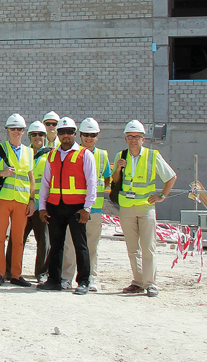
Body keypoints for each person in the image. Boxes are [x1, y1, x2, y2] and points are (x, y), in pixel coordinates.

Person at [113, 119, 177, 298]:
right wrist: (118, 168)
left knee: (148, 246)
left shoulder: (152, 155)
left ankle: (151, 283)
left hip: (145, 207)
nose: (133, 140)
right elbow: (116, 181)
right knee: (132, 248)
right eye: (130, 137)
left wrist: (162, 196)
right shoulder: (121, 155)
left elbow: (170, 177)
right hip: (126, 207)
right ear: (126, 138)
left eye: (137, 137)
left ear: (143, 139)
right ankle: (138, 282)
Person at [37, 117, 97, 295]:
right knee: (56, 245)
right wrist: (42, 206)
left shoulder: (84, 154)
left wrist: (87, 208)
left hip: (76, 207)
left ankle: (83, 281)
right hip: (55, 206)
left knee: (81, 245)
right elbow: (46, 183)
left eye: (69, 132)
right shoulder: (52, 154)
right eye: (62, 132)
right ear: (57, 134)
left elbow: (91, 183)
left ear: (75, 134)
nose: (65, 135)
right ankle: (54, 280)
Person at [0, 114, 36, 287]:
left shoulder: (29, 151)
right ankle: (0, 273)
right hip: (2, 199)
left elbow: (31, 177)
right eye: (13, 129)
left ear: (24, 131)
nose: (16, 132)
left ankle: (16, 274)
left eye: (19, 129)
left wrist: (31, 199)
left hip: (21, 201)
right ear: (8, 130)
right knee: (0, 237)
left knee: (18, 239)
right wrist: (2, 173)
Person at [62, 118, 111, 291]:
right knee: (70, 244)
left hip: (95, 208)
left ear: (97, 136)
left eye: (93, 135)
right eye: (86, 135)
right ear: (80, 135)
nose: (89, 138)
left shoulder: (102, 155)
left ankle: (90, 278)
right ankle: (66, 277)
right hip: (74, 206)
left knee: (91, 245)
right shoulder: (72, 152)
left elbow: (106, 178)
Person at [5, 120, 50, 282]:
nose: (38, 137)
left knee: (43, 241)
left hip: (42, 205)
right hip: (24, 202)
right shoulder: (24, 153)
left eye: (41, 134)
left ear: (45, 136)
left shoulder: (51, 154)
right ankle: (9, 270)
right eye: (34, 135)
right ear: (29, 136)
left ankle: (41, 273)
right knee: (17, 238)